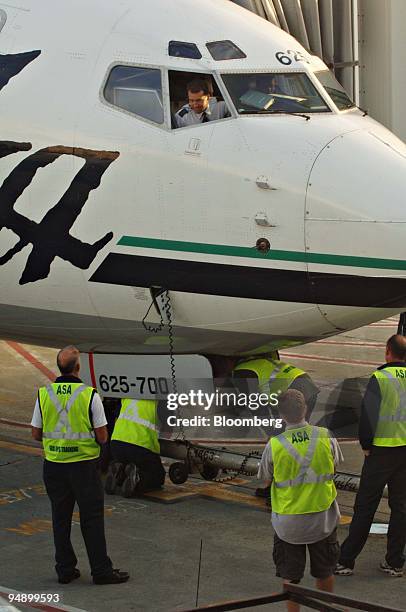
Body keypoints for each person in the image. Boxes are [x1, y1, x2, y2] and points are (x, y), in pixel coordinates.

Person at [31, 346, 129, 585]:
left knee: (60, 518)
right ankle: (101, 571)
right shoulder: (89, 395)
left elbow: (35, 433)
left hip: (54, 466)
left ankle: (65, 569)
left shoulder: (44, 394)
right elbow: (103, 436)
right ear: (77, 367)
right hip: (83, 468)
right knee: (92, 519)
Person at [258, 389, 342, 612]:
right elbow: (334, 467)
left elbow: (265, 482)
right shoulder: (325, 435)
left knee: (291, 578)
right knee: (324, 571)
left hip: (289, 524)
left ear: (281, 415)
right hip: (322, 519)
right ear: (305, 409)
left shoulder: (274, 445)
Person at [335, 334, 406, 577]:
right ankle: (395, 562)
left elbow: (368, 415)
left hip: (381, 452)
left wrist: (366, 443)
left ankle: (346, 560)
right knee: (400, 508)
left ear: (388, 352)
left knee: (365, 506)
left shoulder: (380, 377)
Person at [105, 397, 166, 497]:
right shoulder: (160, 400)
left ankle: (119, 470)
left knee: (128, 464)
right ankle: (138, 477)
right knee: (158, 476)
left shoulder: (128, 395)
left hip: (116, 443)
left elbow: (117, 416)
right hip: (141, 445)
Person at [233, 355, 319, 423]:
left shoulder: (241, 372)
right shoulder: (257, 362)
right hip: (307, 382)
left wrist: (271, 431)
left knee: (290, 429)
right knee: (301, 427)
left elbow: (255, 405)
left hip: (293, 388)